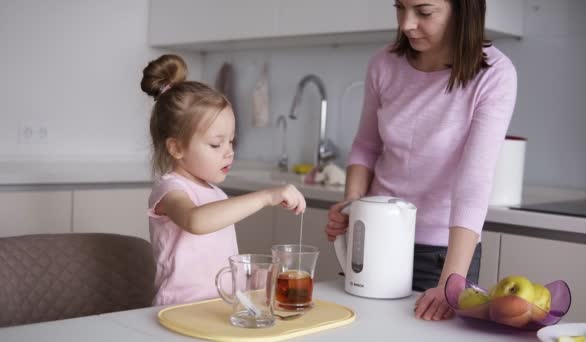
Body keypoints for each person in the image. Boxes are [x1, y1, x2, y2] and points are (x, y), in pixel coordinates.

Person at [325, 0, 517, 321]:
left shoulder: (494, 74)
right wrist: (353, 207)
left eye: (424, 12)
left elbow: (474, 181)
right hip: (375, 239)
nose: (406, 24)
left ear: (463, 10)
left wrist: (450, 283)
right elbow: (365, 146)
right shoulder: (384, 64)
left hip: (444, 255)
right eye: (400, 8)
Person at [141, 54, 307, 306]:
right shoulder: (170, 189)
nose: (229, 151)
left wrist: (254, 279)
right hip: (176, 310)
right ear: (176, 148)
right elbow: (195, 220)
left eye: (231, 141)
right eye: (216, 144)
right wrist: (265, 196)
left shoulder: (217, 195)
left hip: (218, 308)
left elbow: (215, 264)